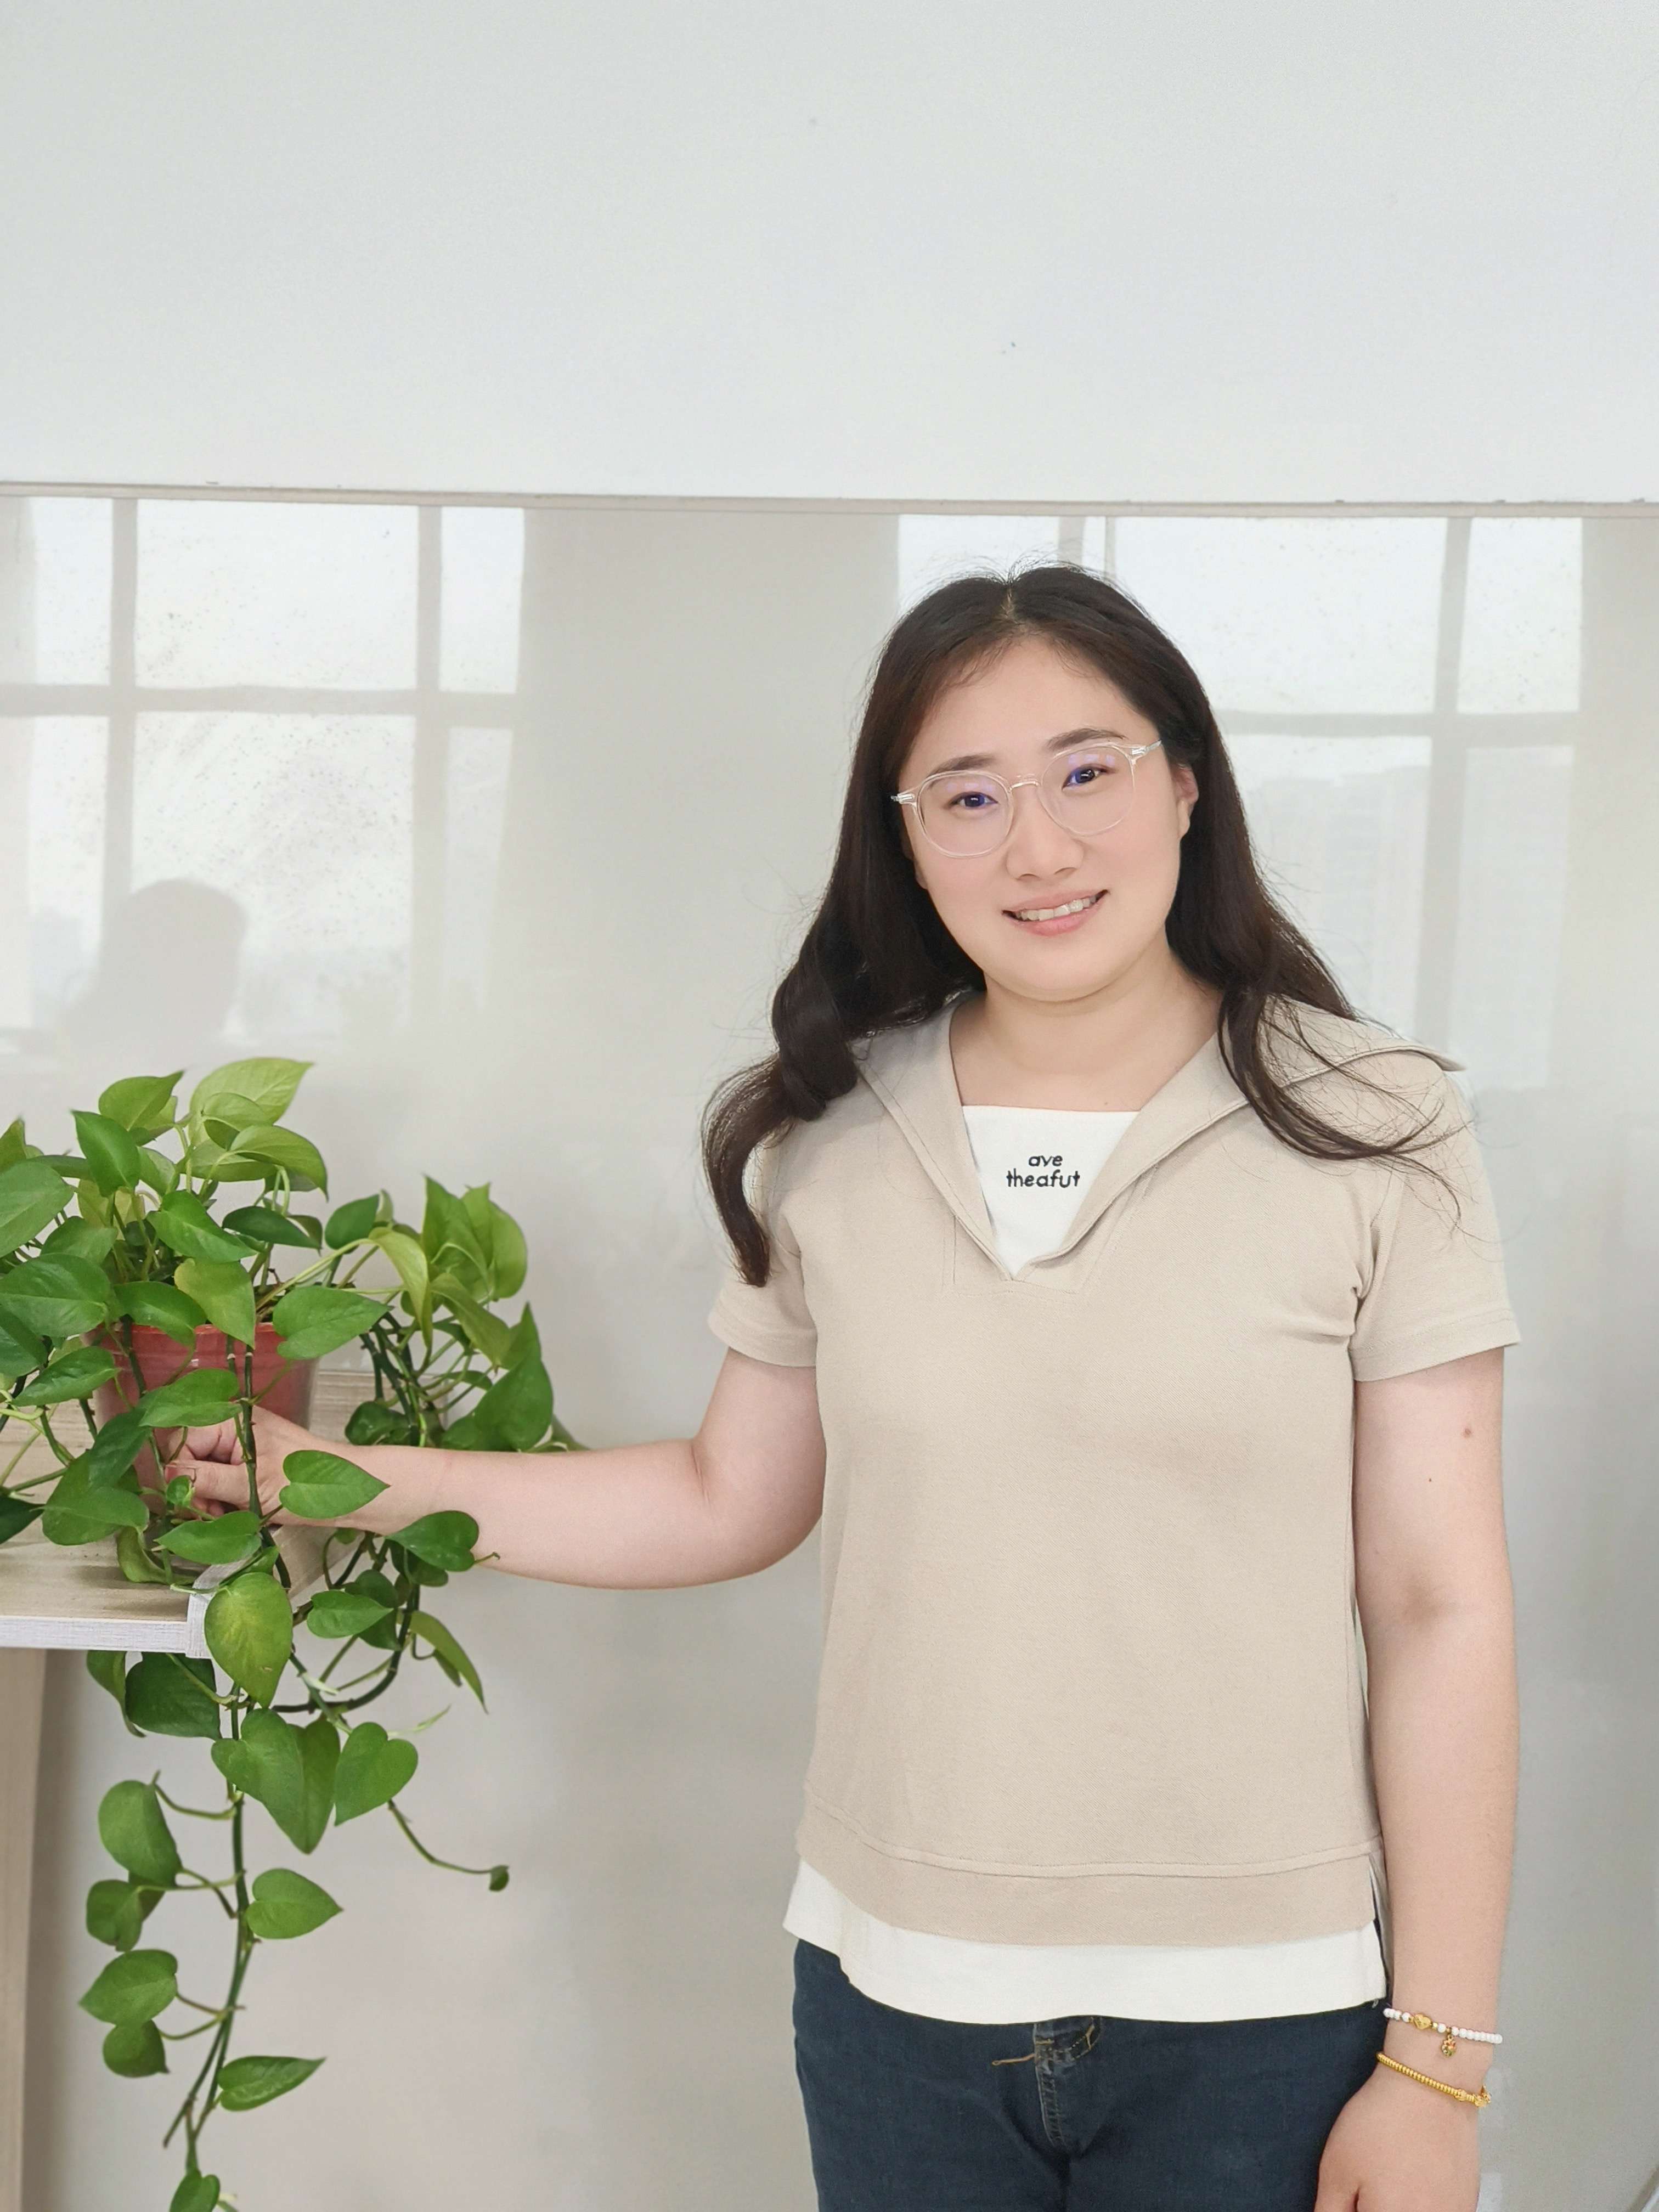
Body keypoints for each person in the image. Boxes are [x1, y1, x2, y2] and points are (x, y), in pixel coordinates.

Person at [177, 567, 1521, 2212]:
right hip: (893, 2007)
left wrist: (1436, 2067)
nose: (1039, 846)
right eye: (970, 795)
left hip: (1264, 2018)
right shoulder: (832, 1132)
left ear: (1187, 783)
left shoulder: (1374, 1123)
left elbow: (1440, 1604)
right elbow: (720, 1499)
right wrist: (329, 1476)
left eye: (1087, 771)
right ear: (907, 839)